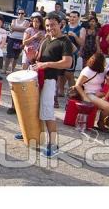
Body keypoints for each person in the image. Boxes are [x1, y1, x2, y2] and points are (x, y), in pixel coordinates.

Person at [32, 14, 73, 157]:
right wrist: (33, 57)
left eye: (53, 25)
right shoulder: (46, 39)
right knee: (32, 108)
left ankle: (53, 144)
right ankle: (31, 134)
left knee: (47, 112)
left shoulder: (65, 41)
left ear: (60, 24)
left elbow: (68, 63)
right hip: (38, 78)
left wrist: (47, 64)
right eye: (48, 25)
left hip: (50, 80)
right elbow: (38, 59)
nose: (50, 28)